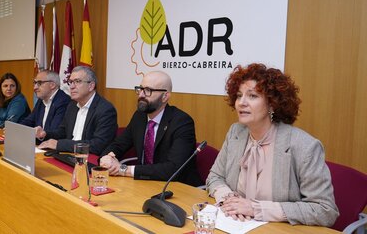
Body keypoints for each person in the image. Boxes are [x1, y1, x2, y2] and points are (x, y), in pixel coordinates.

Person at [206, 63, 338, 226]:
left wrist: (257, 209)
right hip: (234, 224)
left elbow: (325, 210)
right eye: (239, 96)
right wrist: (228, 198)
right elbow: (215, 177)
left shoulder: (304, 146)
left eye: (252, 96)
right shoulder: (236, 133)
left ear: (272, 104)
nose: (242, 102)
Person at [99, 71, 201, 187]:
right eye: (140, 89)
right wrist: (107, 158)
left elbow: (172, 169)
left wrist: (123, 169)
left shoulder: (182, 122)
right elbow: (118, 144)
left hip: (177, 189)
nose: (141, 95)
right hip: (144, 185)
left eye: (148, 90)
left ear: (165, 96)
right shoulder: (140, 116)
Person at [37, 66, 117, 155]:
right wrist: (44, 134)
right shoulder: (72, 105)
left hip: (90, 159)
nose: (71, 86)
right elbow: (62, 132)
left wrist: (59, 144)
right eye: (70, 82)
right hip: (69, 154)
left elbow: (97, 145)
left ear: (91, 86)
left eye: (77, 81)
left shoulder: (105, 110)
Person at [20, 70, 70, 138]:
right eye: (34, 83)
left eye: (39, 83)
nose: (35, 87)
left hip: (53, 145)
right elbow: (29, 121)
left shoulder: (63, 101)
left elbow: (55, 132)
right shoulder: (41, 100)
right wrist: (15, 129)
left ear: (52, 85)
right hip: (40, 142)